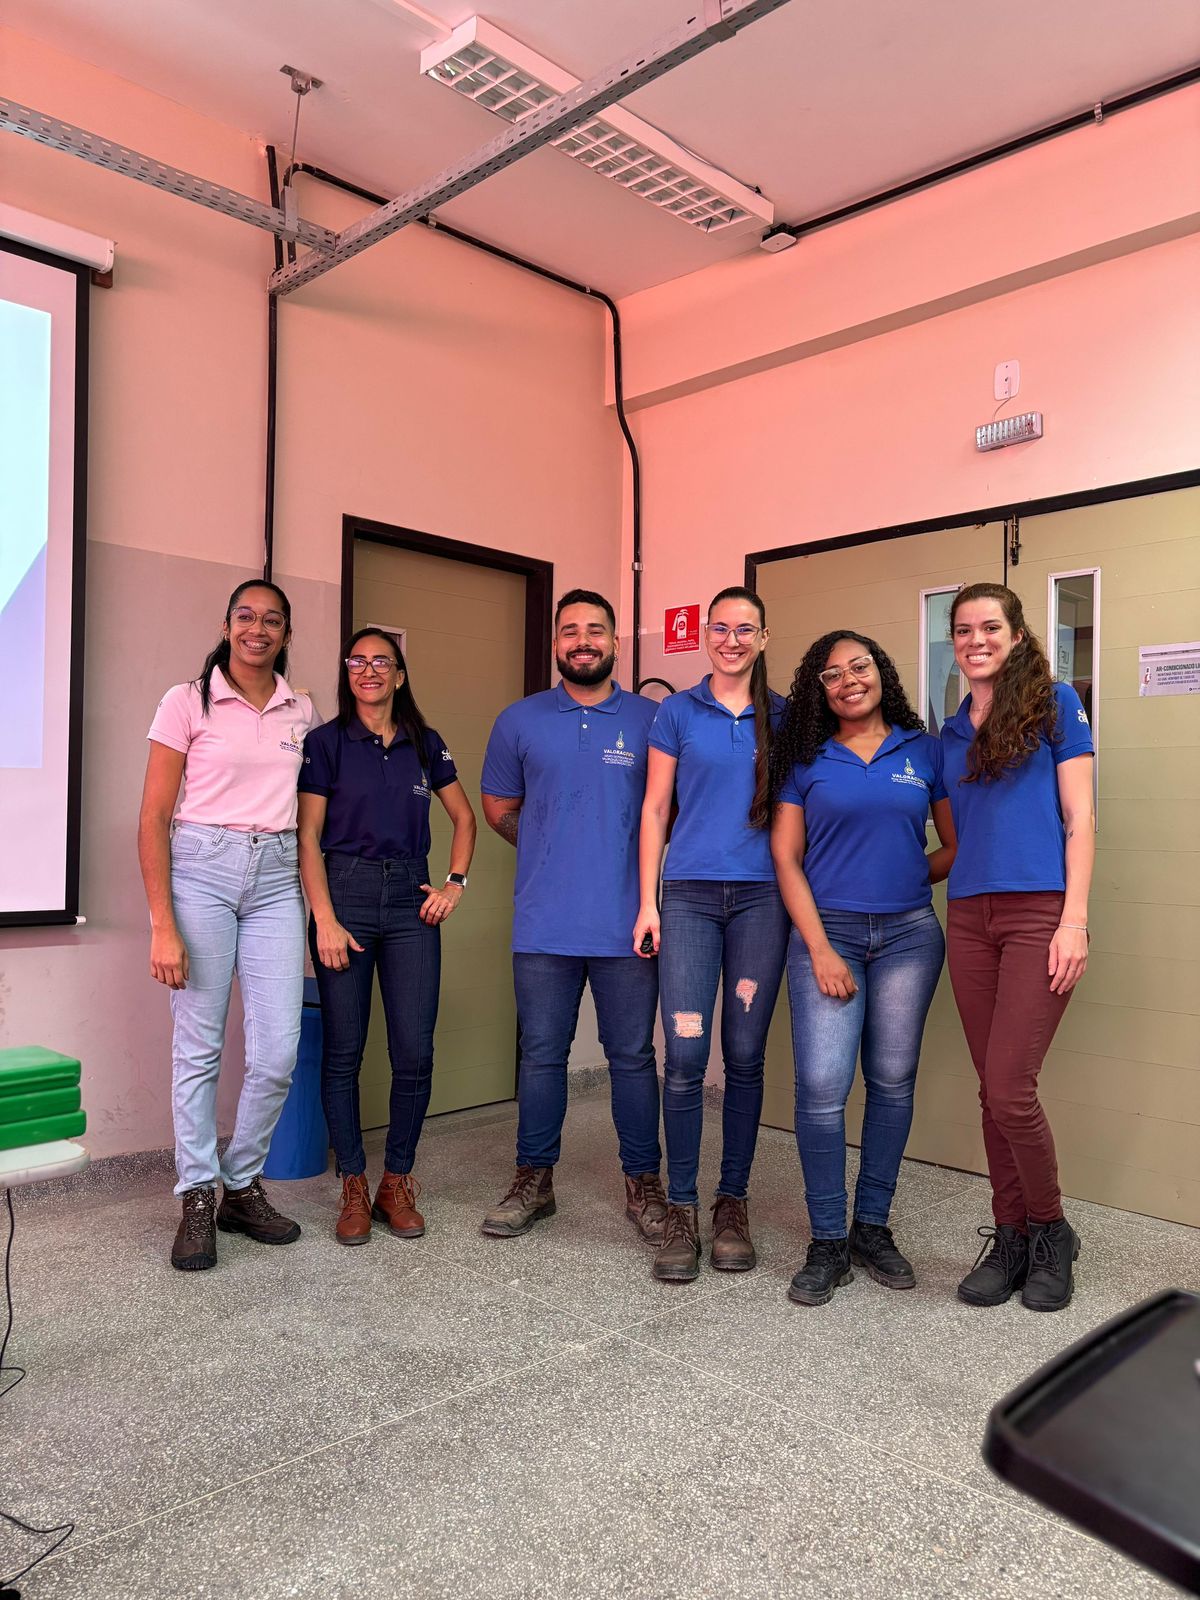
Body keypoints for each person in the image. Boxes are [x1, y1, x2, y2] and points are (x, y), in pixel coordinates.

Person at [769, 632, 956, 1306]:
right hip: (830, 935)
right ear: (819, 691)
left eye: (860, 667)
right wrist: (819, 948)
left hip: (909, 936)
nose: (849, 680)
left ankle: (871, 1226)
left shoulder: (924, 751)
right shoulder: (805, 759)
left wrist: (905, 876)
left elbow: (954, 845)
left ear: (882, 674)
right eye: (832, 674)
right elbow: (786, 857)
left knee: (892, 1082)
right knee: (822, 1088)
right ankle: (827, 1240)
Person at [138, 580, 316, 1272]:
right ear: (226, 625)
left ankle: (240, 1184)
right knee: (200, 1048)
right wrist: (163, 924)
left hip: (276, 879)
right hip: (201, 874)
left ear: (286, 634)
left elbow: (311, 809)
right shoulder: (187, 701)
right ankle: (196, 1194)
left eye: (272, 620)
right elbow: (154, 816)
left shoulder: (303, 709)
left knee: (277, 1053)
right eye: (246, 616)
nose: (257, 629)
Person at [479, 589, 665, 1243]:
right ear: (556, 643)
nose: (582, 640)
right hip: (544, 923)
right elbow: (499, 808)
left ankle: (644, 1184)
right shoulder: (519, 720)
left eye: (595, 629)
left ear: (615, 641)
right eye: (569, 630)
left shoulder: (651, 720)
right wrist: (546, 842)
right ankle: (534, 1179)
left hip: (629, 924)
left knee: (633, 1057)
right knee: (540, 1056)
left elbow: (666, 810)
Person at [943, 583, 1094, 1313]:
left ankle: (1051, 1231)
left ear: (1017, 634)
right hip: (968, 917)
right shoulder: (948, 732)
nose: (977, 640)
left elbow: (1081, 819)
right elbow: (949, 836)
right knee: (990, 1090)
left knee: (1010, 1087)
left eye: (990, 627)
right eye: (963, 630)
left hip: (1039, 914)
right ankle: (1009, 1236)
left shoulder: (1056, 704)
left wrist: (1075, 920)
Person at [297, 629, 476, 1245]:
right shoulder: (325, 743)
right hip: (343, 897)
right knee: (344, 1051)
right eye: (358, 661)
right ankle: (352, 1183)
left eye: (383, 662)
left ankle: (396, 1182)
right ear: (347, 672)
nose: (369, 670)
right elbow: (307, 836)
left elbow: (464, 818)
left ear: (400, 674)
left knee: (415, 1052)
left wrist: (453, 884)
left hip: (408, 902)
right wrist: (324, 918)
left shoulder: (426, 743)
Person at [634, 586, 788, 1283]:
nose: (731, 640)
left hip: (762, 900)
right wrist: (648, 903)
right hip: (690, 898)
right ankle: (682, 1209)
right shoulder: (676, 712)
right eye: (720, 628)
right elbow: (655, 809)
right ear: (705, 636)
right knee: (687, 1056)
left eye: (745, 629)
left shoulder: (784, 716)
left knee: (746, 1054)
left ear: (763, 638)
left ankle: (732, 1204)